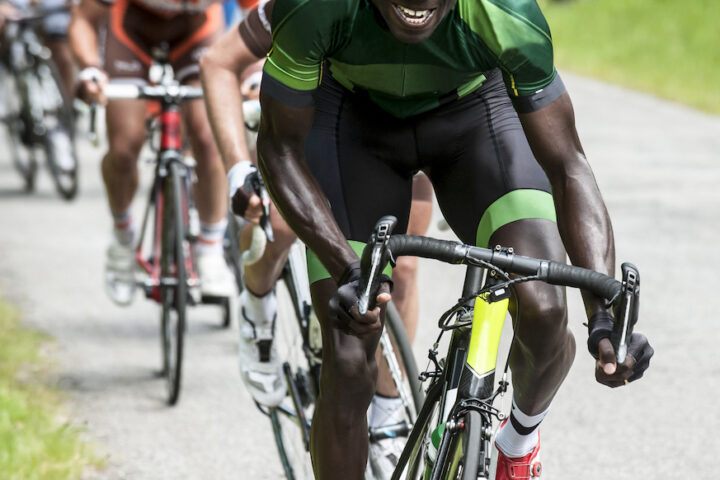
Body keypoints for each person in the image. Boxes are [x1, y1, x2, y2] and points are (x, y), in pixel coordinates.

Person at [242, 0, 655, 479]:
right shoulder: (317, 7)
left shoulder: (507, 13)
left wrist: (603, 313)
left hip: (474, 118)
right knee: (350, 347)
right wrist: (347, 267)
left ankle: (517, 441)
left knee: (544, 309)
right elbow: (278, 148)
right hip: (350, 125)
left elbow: (567, 165)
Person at [199, 5, 433, 473]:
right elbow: (218, 61)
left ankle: (388, 418)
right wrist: (237, 168)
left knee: (401, 267)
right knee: (283, 225)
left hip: (387, 129)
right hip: (308, 122)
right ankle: (257, 305)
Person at [70, 0, 235, 304]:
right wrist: (90, 66)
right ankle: (123, 239)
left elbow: (262, 16)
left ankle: (210, 247)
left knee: (208, 137)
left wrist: (253, 75)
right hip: (132, 30)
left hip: (197, 30)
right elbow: (83, 18)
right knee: (124, 146)